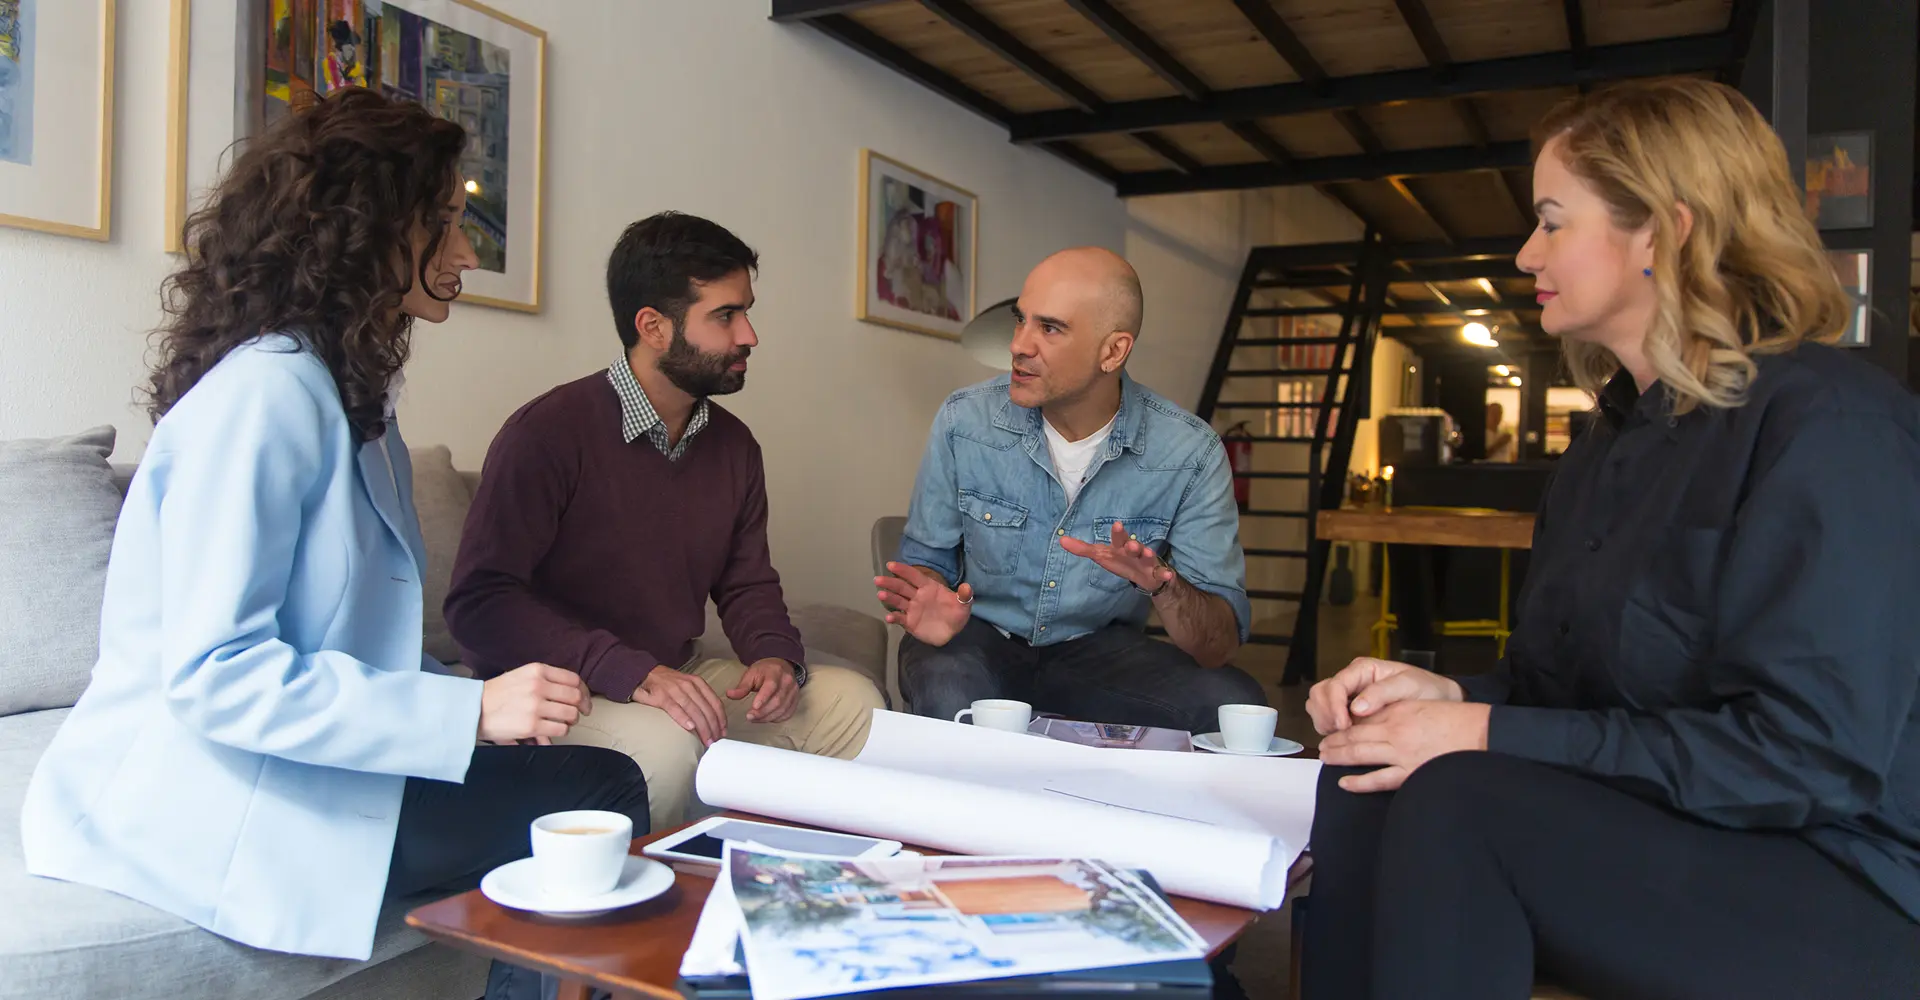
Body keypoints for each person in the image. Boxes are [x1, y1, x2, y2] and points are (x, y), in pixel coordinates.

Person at [1300, 79, 1920, 999]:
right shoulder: (1607, 442)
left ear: (1662, 233)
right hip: (1671, 830)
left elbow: (1806, 759)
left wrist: (1481, 730)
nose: (1526, 253)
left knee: (1460, 800)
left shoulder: (1832, 429)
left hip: (1832, 871)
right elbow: (1562, 693)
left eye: (1552, 222)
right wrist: (1446, 698)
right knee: (1366, 772)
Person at [17, 89, 644, 999]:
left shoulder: (352, 396)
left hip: (306, 756)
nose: (468, 254)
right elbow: (216, 673)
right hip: (216, 789)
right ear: (371, 229)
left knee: (568, 775)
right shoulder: (266, 395)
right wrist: (468, 714)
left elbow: (349, 640)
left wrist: (467, 703)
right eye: (444, 224)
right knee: (601, 793)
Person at [445, 211, 885, 832]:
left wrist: (774, 657)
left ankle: (794, 877)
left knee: (855, 707)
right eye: (725, 316)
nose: (749, 335)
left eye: (746, 311)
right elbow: (479, 603)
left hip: (669, 674)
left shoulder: (734, 446)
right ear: (653, 327)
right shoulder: (545, 434)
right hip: (562, 687)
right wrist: (629, 670)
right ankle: (653, 893)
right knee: (664, 747)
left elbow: (746, 582)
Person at [883, 247, 1266, 735]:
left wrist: (1162, 585)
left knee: (1234, 704)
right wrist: (927, 597)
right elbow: (923, 566)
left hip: (1099, 652)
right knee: (949, 691)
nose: (1018, 345)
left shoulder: (1190, 452)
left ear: (1113, 352)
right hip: (976, 639)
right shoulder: (965, 420)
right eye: (1021, 320)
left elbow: (1217, 646)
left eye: (1050, 328)